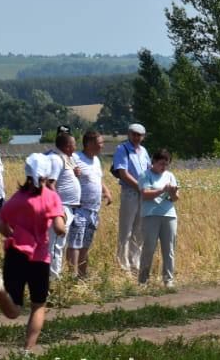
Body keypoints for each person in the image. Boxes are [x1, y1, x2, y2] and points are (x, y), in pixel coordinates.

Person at [0, 153, 67, 350]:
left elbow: (1, 223)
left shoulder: (17, 198)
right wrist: (62, 226)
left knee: (13, 311)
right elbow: (59, 228)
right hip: (39, 258)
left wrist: (12, 233)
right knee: (38, 304)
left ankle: (0, 290)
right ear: (47, 174)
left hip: (15, 254)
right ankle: (27, 351)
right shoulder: (51, 197)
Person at [68, 130, 112, 281]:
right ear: (89, 144)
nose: (102, 146)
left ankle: (82, 276)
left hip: (93, 210)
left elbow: (97, 179)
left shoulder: (96, 161)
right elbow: (65, 174)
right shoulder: (75, 158)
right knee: (75, 243)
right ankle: (71, 277)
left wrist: (106, 191)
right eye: (100, 143)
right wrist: (73, 172)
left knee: (85, 244)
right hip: (79, 209)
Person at [111, 123, 150, 274]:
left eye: (139, 135)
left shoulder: (144, 151)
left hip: (143, 193)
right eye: (134, 134)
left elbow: (147, 170)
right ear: (129, 134)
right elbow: (123, 173)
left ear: (143, 136)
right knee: (126, 229)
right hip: (130, 193)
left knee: (140, 229)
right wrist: (140, 187)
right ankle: (123, 264)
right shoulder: (122, 149)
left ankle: (135, 262)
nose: (136, 137)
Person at [138, 148, 181, 288]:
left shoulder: (170, 175)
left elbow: (175, 198)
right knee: (149, 247)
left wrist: (173, 193)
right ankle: (143, 280)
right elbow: (145, 194)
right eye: (162, 163)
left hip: (168, 214)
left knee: (169, 249)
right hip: (150, 215)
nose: (164, 167)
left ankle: (168, 280)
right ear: (154, 162)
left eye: (166, 164)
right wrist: (163, 190)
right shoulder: (145, 175)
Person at [46, 130, 81, 278]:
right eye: (74, 144)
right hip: (62, 207)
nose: (75, 147)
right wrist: (58, 207)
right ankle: (53, 280)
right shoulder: (55, 159)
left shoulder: (66, 157)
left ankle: (56, 276)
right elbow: (50, 184)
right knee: (55, 245)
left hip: (69, 207)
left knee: (60, 244)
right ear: (67, 146)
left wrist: (76, 173)